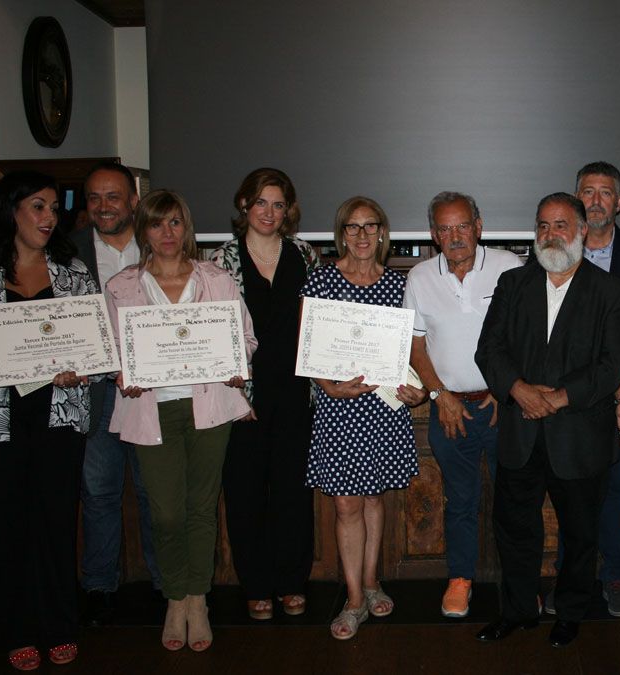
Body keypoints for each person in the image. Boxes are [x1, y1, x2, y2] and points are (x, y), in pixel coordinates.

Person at [474, 192, 620, 648]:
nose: (551, 233)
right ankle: (518, 610)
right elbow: (490, 350)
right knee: (514, 529)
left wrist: (559, 398)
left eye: (561, 224)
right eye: (543, 225)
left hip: (579, 436)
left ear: (583, 230)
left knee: (580, 534)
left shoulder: (611, 292)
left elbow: (613, 364)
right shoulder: (513, 283)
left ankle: (571, 612)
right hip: (520, 432)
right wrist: (519, 389)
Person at [104, 189, 256, 653]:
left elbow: (245, 337)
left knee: (201, 508)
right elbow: (112, 348)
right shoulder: (122, 286)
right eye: (156, 224)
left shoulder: (217, 278)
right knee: (166, 512)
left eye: (174, 223)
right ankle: (174, 596)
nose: (166, 233)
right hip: (151, 409)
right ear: (143, 230)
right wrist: (121, 373)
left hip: (209, 408)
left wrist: (237, 361)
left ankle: (197, 600)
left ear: (185, 227)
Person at [0, 170, 96, 670]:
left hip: (57, 418)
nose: (48, 217)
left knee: (55, 523)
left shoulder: (74, 272)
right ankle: (13, 628)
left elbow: (93, 349)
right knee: (1, 525)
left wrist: (77, 369)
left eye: (52, 209)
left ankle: (59, 624)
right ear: (10, 211)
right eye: (37, 207)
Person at [302, 196, 425, 640]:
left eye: (369, 226)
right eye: (352, 228)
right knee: (346, 503)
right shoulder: (319, 281)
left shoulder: (400, 285)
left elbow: (413, 351)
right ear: (341, 234)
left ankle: (372, 581)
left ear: (382, 232)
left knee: (375, 500)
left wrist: (418, 391)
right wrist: (327, 385)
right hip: (338, 409)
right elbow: (308, 348)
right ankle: (354, 600)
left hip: (384, 408)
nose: (361, 235)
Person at [543, 161, 620, 618]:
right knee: (570, 497)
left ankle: (616, 575)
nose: (595, 200)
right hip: (567, 402)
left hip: (619, 397)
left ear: (619, 202)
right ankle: (572, 580)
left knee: (613, 493)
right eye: (586, 192)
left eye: (604, 192)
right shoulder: (553, 251)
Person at [404, 191, 521, 618]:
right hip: (449, 410)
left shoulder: (510, 266)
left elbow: (528, 333)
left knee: (515, 500)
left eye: (463, 226)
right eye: (445, 229)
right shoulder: (419, 277)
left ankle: (521, 584)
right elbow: (415, 345)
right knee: (460, 501)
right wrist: (439, 396)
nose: (455, 236)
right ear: (434, 234)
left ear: (479, 225)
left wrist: (504, 387)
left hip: (504, 407)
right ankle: (460, 580)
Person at [211, 168, 320, 621]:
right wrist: (234, 395)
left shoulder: (307, 256)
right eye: (261, 203)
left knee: (293, 492)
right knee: (245, 493)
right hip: (244, 399)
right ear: (243, 205)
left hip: (297, 395)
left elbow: (321, 323)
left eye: (278, 204)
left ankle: (292, 581)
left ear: (288, 209)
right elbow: (213, 335)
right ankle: (255, 584)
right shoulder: (220, 261)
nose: (269, 213)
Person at [73, 162, 163, 625]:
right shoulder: (66, 254)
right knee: (100, 492)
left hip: (150, 389)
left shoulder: (158, 245)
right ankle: (99, 587)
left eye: (113, 197)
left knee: (154, 490)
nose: (103, 206)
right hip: (96, 390)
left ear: (133, 201)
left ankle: (164, 585)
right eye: (94, 198)